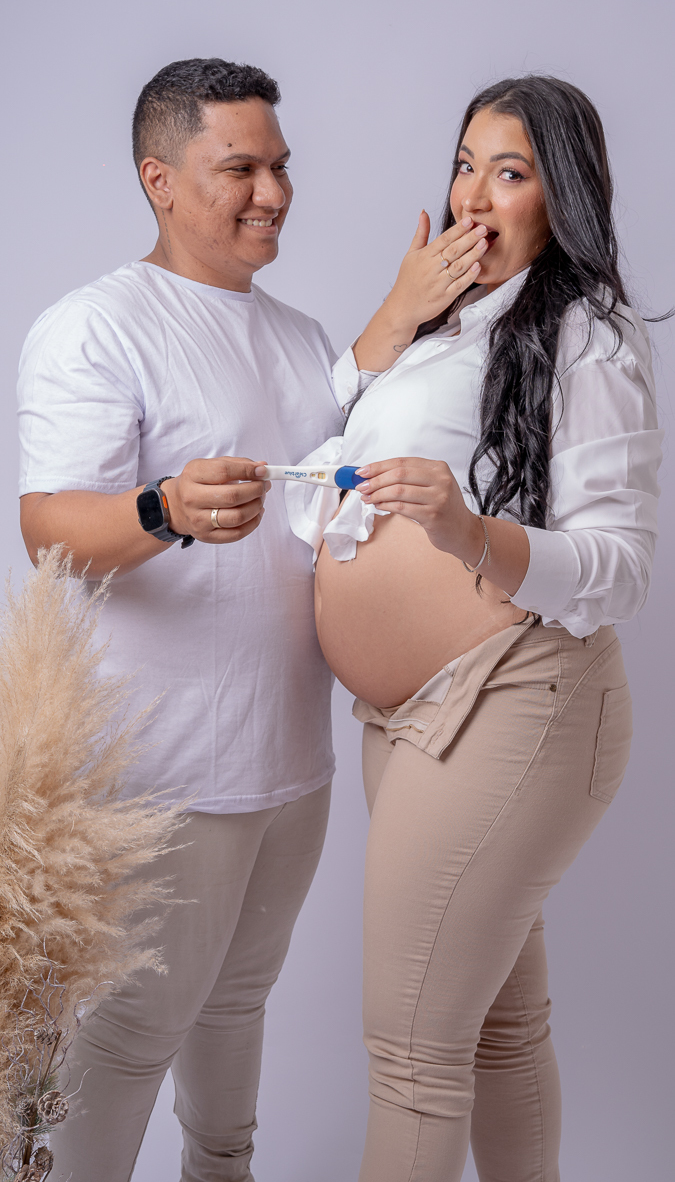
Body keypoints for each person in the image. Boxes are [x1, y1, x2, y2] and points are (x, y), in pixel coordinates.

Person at [284, 76, 662, 1181]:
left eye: (511, 172)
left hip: (514, 701)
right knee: (499, 1030)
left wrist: (468, 532)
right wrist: (392, 317)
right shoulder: (440, 327)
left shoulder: (587, 335)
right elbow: (309, 453)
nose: (474, 196)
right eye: (464, 165)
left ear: (563, 195)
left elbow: (622, 568)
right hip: (412, 720)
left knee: (412, 1057)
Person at [17, 58, 343, 1182]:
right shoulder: (97, 326)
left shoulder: (302, 336)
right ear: (160, 179)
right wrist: (163, 508)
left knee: (239, 1003)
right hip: (164, 769)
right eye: (239, 168)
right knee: (130, 1034)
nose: (274, 193)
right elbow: (49, 527)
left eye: (281, 166)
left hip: (293, 755)